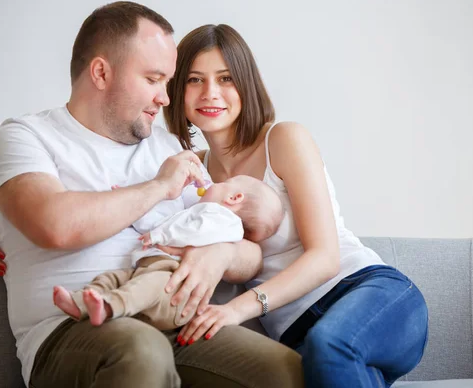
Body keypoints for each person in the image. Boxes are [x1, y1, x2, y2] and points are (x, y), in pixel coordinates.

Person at [0, 2, 303, 388]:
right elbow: (55, 225)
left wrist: (223, 253)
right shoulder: (25, 137)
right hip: (69, 330)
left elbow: (245, 247)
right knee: (142, 351)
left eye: (168, 82)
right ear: (100, 72)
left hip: (170, 318)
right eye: (153, 79)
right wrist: (159, 188)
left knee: (282, 370)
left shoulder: (167, 148)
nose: (166, 98)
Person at [159, 24, 430, 388]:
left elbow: (325, 257)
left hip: (369, 295)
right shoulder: (194, 175)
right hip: (297, 335)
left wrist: (236, 311)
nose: (211, 93)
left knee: (330, 345)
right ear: (178, 91)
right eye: (194, 80)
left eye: (225, 78)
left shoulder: (283, 140)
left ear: (246, 84)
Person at [53, 175, 284, 330]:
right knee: (113, 278)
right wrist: (131, 204)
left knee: (146, 288)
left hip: (173, 285)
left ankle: (108, 307)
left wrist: (158, 237)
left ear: (234, 198)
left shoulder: (224, 221)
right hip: (146, 269)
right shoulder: (200, 211)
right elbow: (158, 224)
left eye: (225, 182)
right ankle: (82, 303)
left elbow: (194, 233)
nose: (215, 183)